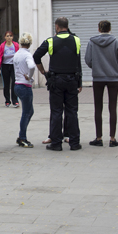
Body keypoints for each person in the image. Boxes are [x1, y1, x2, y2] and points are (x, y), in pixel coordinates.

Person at [33, 17, 83, 151]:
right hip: (72, 80)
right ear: (67, 26)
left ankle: (56, 143)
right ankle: (74, 143)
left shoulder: (50, 41)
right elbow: (78, 62)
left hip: (56, 81)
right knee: (72, 111)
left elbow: (36, 56)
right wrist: (80, 82)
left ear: (56, 26)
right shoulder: (76, 40)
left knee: (56, 111)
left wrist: (42, 71)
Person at [85, 20, 118, 147]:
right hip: (113, 78)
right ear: (110, 29)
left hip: (98, 78)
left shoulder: (92, 42)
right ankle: (112, 138)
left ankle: (99, 138)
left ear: (99, 29)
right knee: (112, 107)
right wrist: (113, 65)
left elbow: (88, 60)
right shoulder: (117, 42)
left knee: (98, 107)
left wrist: (97, 66)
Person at [13, 32, 36, 148]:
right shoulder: (27, 55)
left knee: (29, 111)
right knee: (26, 112)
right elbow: (32, 66)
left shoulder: (16, 54)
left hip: (17, 84)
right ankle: (22, 137)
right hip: (25, 85)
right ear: (30, 43)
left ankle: (22, 135)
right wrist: (29, 76)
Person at [0, 31, 19, 107]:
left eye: (10, 36)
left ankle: (15, 101)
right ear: (5, 37)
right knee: (6, 84)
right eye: (7, 36)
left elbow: (19, 55)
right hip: (5, 66)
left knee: (14, 83)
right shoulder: (2, 46)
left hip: (13, 66)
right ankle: (7, 101)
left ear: (12, 37)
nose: (9, 37)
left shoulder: (16, 45)